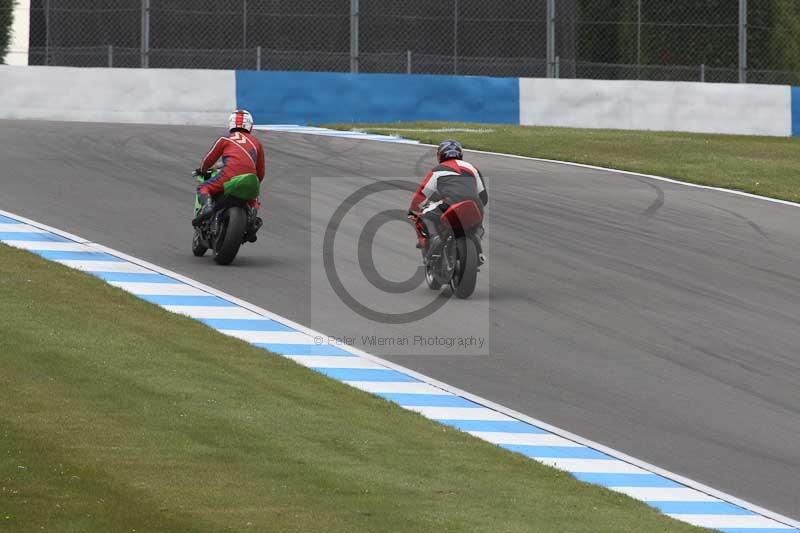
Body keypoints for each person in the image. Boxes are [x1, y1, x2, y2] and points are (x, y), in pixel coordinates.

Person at [408, 140, 488, 263]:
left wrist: (413, 210)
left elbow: (421, 194)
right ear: (460, 154)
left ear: (440, 155)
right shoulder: (472, 168)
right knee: (478, 222)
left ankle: (435, 239)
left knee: (424, 216)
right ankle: (476, 240)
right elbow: (484, 197)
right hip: (474, 203)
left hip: (450, 202)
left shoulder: (437, 170)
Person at [192, 109, 265, 236]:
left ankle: (208, 207)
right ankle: (252, 218)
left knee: (203, 187)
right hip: (250, 178)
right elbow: (261, 171)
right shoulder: (257, 143)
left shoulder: (225, 139)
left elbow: (208, 159)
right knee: (254, 194)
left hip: (228, 174)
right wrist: (255, 182)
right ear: (250, 125)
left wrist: (203, 170)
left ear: (231, 124)